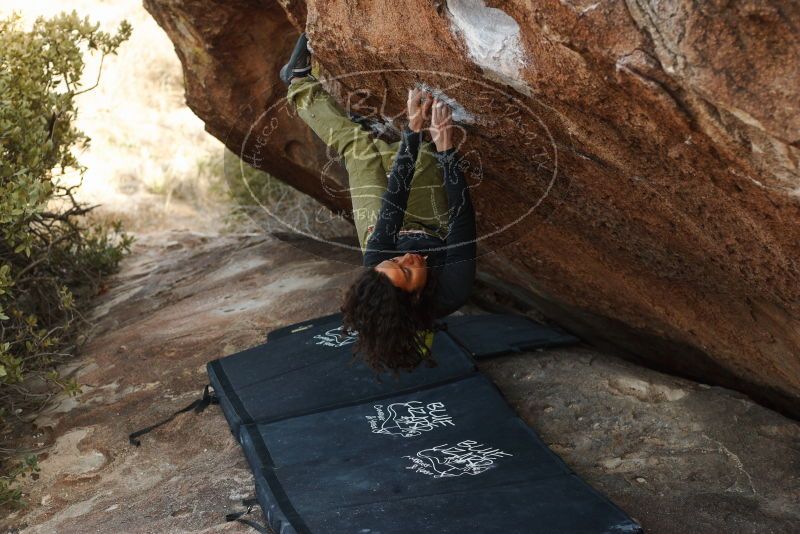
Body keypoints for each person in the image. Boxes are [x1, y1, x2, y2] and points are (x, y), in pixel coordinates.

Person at [282, 33, 476, 373]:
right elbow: (462, 221)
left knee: (360, 152)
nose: (405, 259)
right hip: (435, 227)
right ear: (414, 297)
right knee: (423, 157)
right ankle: (383, 140)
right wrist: (446, 149)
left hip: (388, 225)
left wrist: (413, 131)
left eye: (394, 263)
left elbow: (393, 203)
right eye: (407, 272)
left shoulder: (378, 261)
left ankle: (297, 83)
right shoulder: (451, 290)